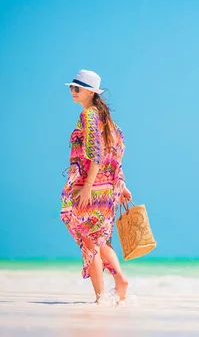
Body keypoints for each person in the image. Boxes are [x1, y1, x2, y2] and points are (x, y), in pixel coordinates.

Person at [60, 69, 131, 304]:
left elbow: (96, 154)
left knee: (89, 242)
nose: (72, 91)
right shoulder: (107, 120)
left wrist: (88, 185)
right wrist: (122, 185)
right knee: (101, 240)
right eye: (71, 87)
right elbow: (115, 154)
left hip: (89, 188)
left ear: (90, 92)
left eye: (77, 88)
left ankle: (100, 299)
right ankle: (120, 279)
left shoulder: (89, 116)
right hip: (107, 190)